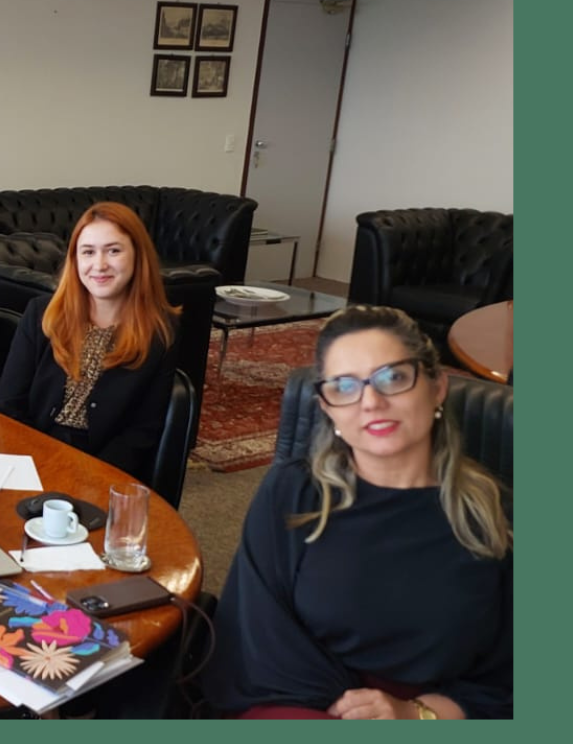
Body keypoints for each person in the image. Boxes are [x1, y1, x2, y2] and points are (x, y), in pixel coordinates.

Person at [203, 305, 512, 719]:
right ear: (327, 407)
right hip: (292, 706)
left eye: (393, 378)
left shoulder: (499, 517)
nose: (371, 401)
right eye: (344, 387)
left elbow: (509, 678)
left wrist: (413, 713)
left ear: (436, 387)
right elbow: (254, 643)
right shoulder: (293, 492)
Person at [0, 202, 178, 478]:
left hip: (103, 470)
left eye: (113, 251)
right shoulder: (42, 314)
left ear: (138, 257)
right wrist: (37, 465)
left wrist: (87, 476)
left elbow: (142, 432)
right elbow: (8, 406)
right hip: (29, 458)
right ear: (75, 260)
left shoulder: (160, 330)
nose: (99, 265)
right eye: (88, 252)